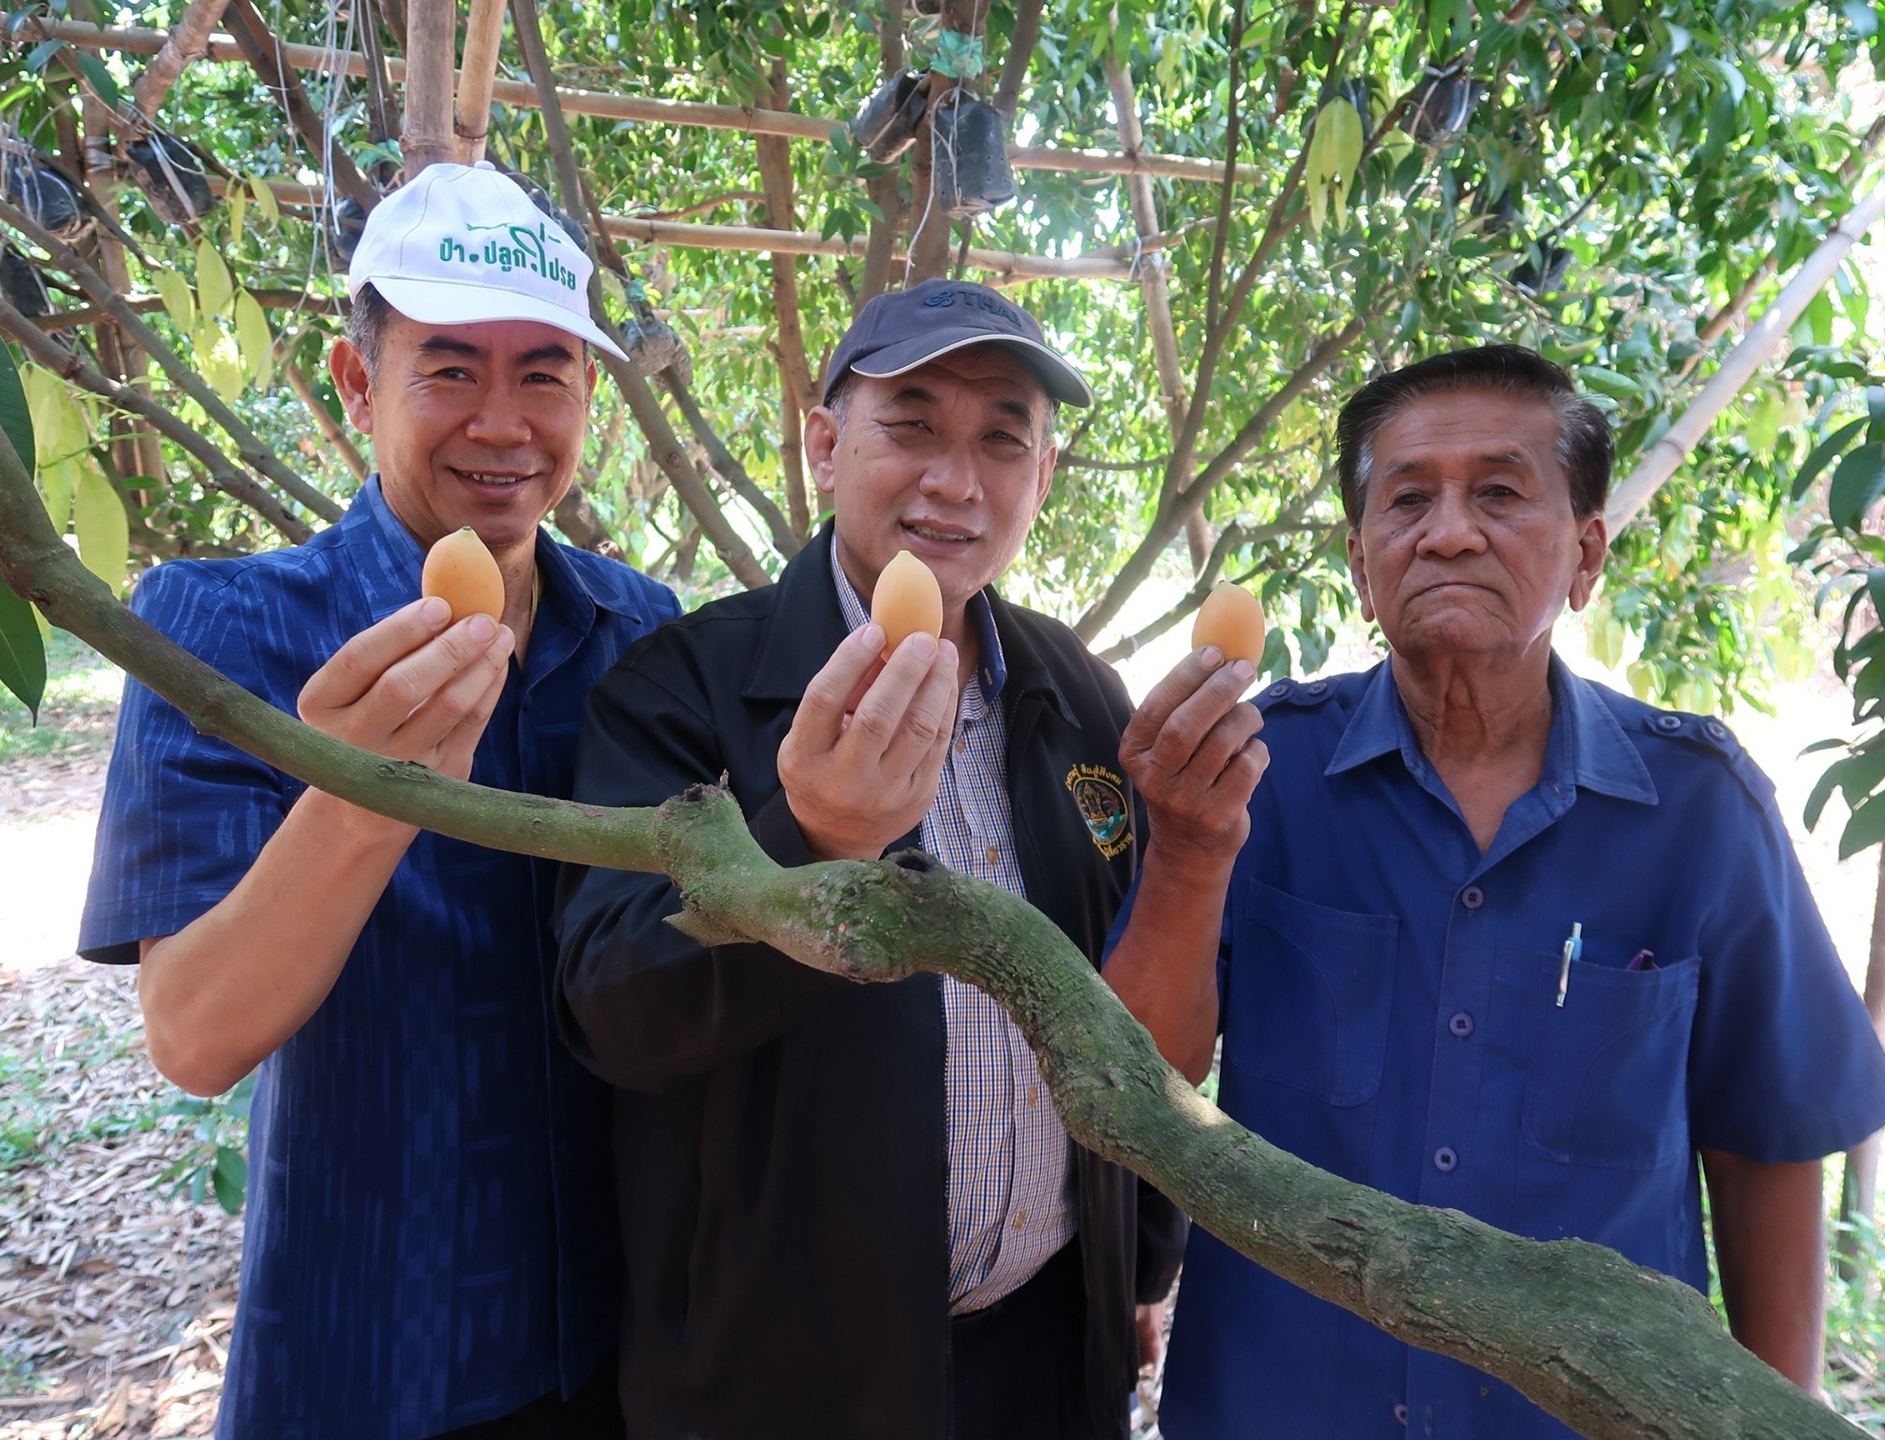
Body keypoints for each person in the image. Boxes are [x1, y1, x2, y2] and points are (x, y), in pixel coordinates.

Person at [1102, 344, 1885, 1438]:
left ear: (1586, 555)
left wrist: (1775, 1415)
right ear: (1360, 560)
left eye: (1498, 492)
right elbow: (1133, 1091)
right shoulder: (1257, 775)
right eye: (1409, 499)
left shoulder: (1697, 809)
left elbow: (1766, 1144)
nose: (1447, 531)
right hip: (1281, 1408)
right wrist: (1191, 856)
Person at [78, 162, 680, 1440]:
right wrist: (359, 795)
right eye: (450, 370)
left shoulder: (642, 637)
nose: (502, 424)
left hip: (631, 1353)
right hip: (374, 1357)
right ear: (360, 386)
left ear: (590, 398)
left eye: (544, 375)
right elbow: (194, 1033)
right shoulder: (227, 630)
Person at [555, 278, 1186, 1440]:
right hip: (781, 1389)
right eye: (913, 426)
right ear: (827, 444)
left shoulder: (1079, 698)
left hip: (1045, 1363)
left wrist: (1130, 1265)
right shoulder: (684, 691)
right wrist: (813, 848)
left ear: (1042, 480)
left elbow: (1115, 1014)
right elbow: (613, 1013)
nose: (958, 480)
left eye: (1004, 440)